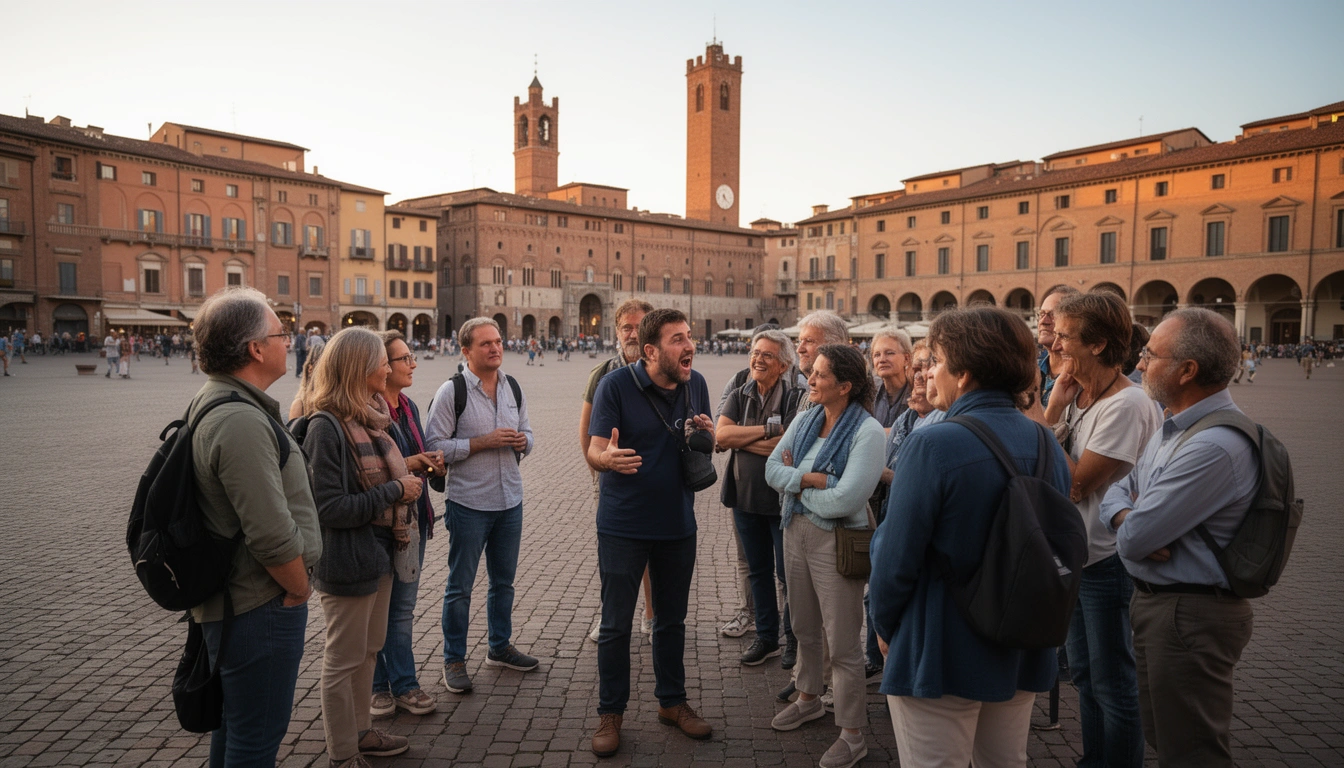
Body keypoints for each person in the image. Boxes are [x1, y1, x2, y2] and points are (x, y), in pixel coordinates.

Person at [870, 306, 1070, 768]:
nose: (928, 374)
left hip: (942, 643)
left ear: (964, 372)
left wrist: (884, 625)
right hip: (1020, 637)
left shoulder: (933, 444)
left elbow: (896, 557)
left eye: (935, 360)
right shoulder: (1046, 443)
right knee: (1004, 761)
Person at [1102, 309, 1258, 767]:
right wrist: (1128, 515)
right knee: (1168, 738)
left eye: (1150, 354)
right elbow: (1119, 493)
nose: (1140, 363)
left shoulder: (1212, 445)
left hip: (1190, 614)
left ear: (1187, 370)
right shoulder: (1176, 426)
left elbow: (1133, 540)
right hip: (1166, 607)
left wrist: (1129, 521)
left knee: (1192, 750)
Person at [186, 286, 323, 766]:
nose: (290, 341)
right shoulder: (240, 422)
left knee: (238, 730)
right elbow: (269, 532)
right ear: (255, 349)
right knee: (256, 738)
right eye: (281, 333)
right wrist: (299, 587)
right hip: (258, 604)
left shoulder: (225, 403)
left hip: (241, 603)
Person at [1038, 292, 1160, 768]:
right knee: (1086, 676)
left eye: (1066, 336)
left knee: (1113, 684)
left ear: (1099, 344)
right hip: (1077, 557)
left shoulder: (1126, 405)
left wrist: (1041, 422)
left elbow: (1071, 484)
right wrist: (1052, 411)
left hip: (1106, 563)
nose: (1057, 344)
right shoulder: (1079, 395)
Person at [586, 308, 715, 756]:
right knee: (617, 624)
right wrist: (608, 459)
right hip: (623, 524)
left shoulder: (694, 383)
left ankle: (672, 702)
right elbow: (595, 447)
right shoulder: (615, 386)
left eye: (689, 336)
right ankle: (611, 713)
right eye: (678, 339)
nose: (689, 345)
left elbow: (703, 439)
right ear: (650, 350)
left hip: (678, 523)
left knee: (671, 620)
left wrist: (707, 435)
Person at [301, 327, 419, 767]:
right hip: (346, 562)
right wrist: (396, 491)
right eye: (382, 360)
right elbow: (330, 508)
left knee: (369, 651)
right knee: (342, 661)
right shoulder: (326, 427)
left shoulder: (371, 416)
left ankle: (361, 732)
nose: (389, 366)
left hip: (378, 555)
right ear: (358, 366)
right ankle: (342, 753)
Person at [764, 343, 883, 768]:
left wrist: (799, 487)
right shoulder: (805, 418)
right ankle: (809, 696)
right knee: (804, 627)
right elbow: (771, 470)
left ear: (845, 386)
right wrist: (813, 480)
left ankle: (852, 734)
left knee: (844, 641)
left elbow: (847, 499)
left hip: (837, 542)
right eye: (810, 372)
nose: (809, 380)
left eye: (819, 375)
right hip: (794, 533)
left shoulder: (867, 431)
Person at [426, 317, 537, 695]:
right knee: (460, 586)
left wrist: (524, 441)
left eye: (498, 341)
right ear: (466, 351)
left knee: (503, 583)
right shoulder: (451, 392)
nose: (495, 348)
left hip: (510, 500)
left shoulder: (513, 387)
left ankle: (499, 647)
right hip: (469, 503)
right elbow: (433, 447)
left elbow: (529, 430)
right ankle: (453, 658)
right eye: (486, 343)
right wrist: (480, 442)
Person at [716, 330, 804, 667]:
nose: (758, 359)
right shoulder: (742, 391)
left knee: (787, 574)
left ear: (783, 364)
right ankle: (767, 638)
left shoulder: (796, 396)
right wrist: (768, 432)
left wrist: (741, 438)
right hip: (745, 498)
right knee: (758, 571)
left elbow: (790, 448)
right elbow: (721, 434)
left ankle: (793, 640)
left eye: (767, 355)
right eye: (755, 353)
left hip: (781, 503)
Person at [370, 331, 445, 718]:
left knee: (402, 607)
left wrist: (433, 464)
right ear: (382, 367)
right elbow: (379, 470)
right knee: (384, 609)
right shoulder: (369, 411)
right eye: (403, 359)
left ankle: (397, 683)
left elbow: (415, 457)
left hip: (416, 520)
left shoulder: (410, 407)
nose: (412, 363)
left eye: (410, 356)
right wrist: (417, 462)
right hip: (385, 524)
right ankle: (389, 685)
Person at [579, 300, 655, 644]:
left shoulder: (664, 367)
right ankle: (612, 617)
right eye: (626, 327)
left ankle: (652, 615)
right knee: (614, 553)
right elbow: (585, 430)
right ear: (617, 331)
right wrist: (599, 469)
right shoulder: (603, 373)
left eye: (640, 326)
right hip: (612, 477)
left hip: (656, 478)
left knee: (655, 551)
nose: (633, 333)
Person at [1037, 286, 1081, 407]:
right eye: (1041, 314)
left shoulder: (1081, 379)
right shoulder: (1029, 370)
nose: (1043, 321)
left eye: (1053, 315)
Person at [870, 328, 913, 428]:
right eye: (877, 355)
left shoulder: (918, 394)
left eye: (889, 353)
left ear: (907, 359)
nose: (882, 360)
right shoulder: (869, 394)